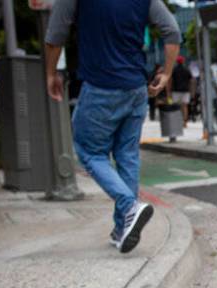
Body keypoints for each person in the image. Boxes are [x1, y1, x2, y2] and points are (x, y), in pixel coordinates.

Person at [45, 0, 180, 254]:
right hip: (136, 88)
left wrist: (51, 73)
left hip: (100, 86)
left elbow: (55, 35)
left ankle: (130, 206)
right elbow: (172, 30)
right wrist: (168, 72)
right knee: (127, 156)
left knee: (89, 151)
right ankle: (122, 229)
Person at [170, 55, 192, 126]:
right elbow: (191, 80)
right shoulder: (187, 70)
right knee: (185, 106)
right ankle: (185, 122)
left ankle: (177, 121)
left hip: (176, 90)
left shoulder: (174, 70)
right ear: (183, 61)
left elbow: (171, 80)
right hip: (185, 90)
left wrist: (169, 90)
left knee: (176, 106)